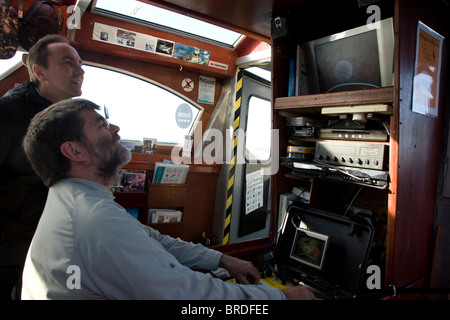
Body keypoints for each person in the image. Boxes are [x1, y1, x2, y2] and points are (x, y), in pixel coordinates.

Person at [21, 98, 315, 300]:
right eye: (101, 125)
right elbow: (187, 296)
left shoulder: (75, 201)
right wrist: (280, 296)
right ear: (74, 152)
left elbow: (156, 240)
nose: (115, 129)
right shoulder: (93, 218)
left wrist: (223, 259)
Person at [0, 34, 84, 300]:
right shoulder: (7, 113)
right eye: (68, 63)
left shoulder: (71, 117)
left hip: (54, 237)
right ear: (40, 72)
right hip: (11, 243)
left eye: (81, 64)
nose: (80, 71)